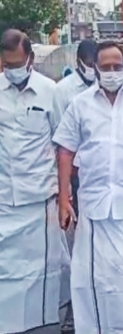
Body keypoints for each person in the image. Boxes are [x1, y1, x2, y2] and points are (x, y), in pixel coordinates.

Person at [53, 40, 123, 333]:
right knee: (92, 280)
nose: (112, 72)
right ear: (96, 69)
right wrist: (64, 199)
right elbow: (65, 150)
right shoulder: (80, 104)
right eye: (106, 67)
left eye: (117, 66)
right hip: (93, 207)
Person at [0, 29, 68, 334]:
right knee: (7, 271)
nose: (12, 70)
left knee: (43, 270)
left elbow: (63, 144)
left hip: (40, 199)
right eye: (7, 65)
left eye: (17, 63)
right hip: (4, 198)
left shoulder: (49, 92)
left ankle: (46, 322)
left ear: (30, 58)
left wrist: (65, 197)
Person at [52, 38, 98, 333]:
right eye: (93, 65)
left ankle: (101, 301)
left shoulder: (112, 88)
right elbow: (60, 142)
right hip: (76, 174)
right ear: (81, 62)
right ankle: (73, 309)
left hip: (100, 175)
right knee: (76, 245)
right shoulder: (63, 92)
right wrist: (64, 189)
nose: (99, 72)